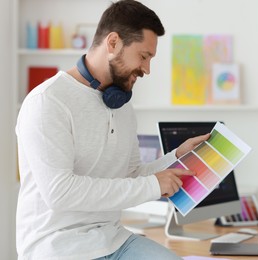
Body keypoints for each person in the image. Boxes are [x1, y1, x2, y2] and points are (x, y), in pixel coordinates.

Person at [15, 1, 209, 259]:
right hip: (57, 247)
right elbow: (60, 193)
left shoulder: (123, 106)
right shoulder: (47, 101)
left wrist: (176, 157)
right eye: (143, 56)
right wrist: (153, 185)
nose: (147, 70)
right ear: (113, 43)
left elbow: (130, 175)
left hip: (112, 238)